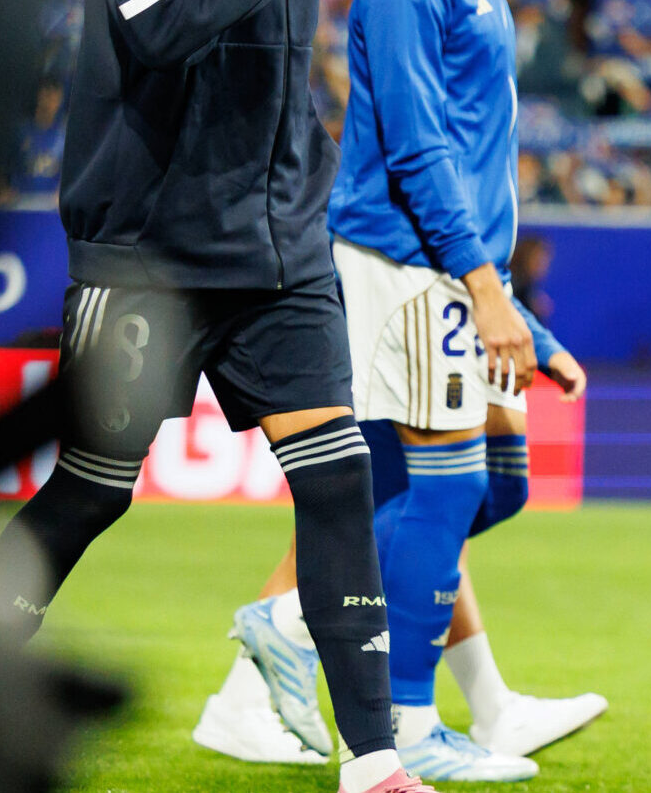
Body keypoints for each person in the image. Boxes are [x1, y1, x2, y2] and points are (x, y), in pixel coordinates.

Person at [0, 0, 427, 793]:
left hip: (277, 250)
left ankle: (375, 761)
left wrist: (308, 170)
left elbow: (274, 64)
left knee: (333, 481)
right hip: (151, 252)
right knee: (92, 484)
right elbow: (154, 26)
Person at [316, 0, 569, 781]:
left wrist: (525, 320)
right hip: (411, 263)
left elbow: (461, 141)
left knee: (489, 486)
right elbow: (419, 150)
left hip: (444, 267)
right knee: (446, 485)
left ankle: (302, 622)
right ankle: (406, 726)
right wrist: (488, 287)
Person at [190, 296, 602, 768]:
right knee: (407, 505)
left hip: (428, 306)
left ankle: (488, 705)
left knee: (429, 511)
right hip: (392, 308)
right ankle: (299, 677)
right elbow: (434, 223)